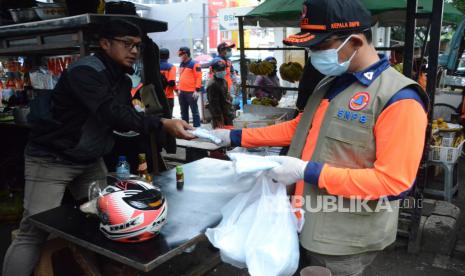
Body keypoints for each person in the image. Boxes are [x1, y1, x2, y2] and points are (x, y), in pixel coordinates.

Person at [213, 0, 428, 275]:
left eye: (320, 46)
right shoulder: (330, 83)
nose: (312, 53)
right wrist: (234, 136)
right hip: (304, 222)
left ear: (355, 42)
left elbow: (393, 183)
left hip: (345, 241)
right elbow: (298, 128)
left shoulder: (398, 98)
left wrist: (307, 171)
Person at [2, 19, 194, 276]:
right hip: (52, 159)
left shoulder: (123, 80)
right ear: (105, 44)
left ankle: (105, 270)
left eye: (137, 46)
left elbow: (123, 118)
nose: (134, 51)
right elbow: (112, 113)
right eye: (127, 44)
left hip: (90, 159)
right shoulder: (86, 72)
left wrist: (147, 125)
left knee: (108, 219)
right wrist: (162, 123)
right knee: (33, 229)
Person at [177, 46, 202, 127]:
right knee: (183, 112)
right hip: (182, 92)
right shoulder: (181, 64)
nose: (180, 56)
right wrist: (179, 89)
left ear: (186, 54)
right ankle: (185, 127)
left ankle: (197, 128)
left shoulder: (195, 64)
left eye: (181, 54)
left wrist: (197, 90)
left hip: (191, 92)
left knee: (194, 111)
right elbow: (181, 77)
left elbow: (198, 77)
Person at [206, 59, 234, 129]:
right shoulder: (212, 84)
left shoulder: (224, 81)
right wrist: (218, 119)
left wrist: (229, 97)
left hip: (227, 113)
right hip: (220, 116)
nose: (222, 72)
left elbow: (226, 95)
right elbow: (213, 104)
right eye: (219, 70)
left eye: (223, 69)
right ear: (213, 71)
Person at [159, 48, 177, 116]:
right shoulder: (171, 67)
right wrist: (177, 90)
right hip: (168, 97)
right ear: (168, 56)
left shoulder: (153, 67)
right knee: (168, 117)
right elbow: (171, 82)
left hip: (155, 97)